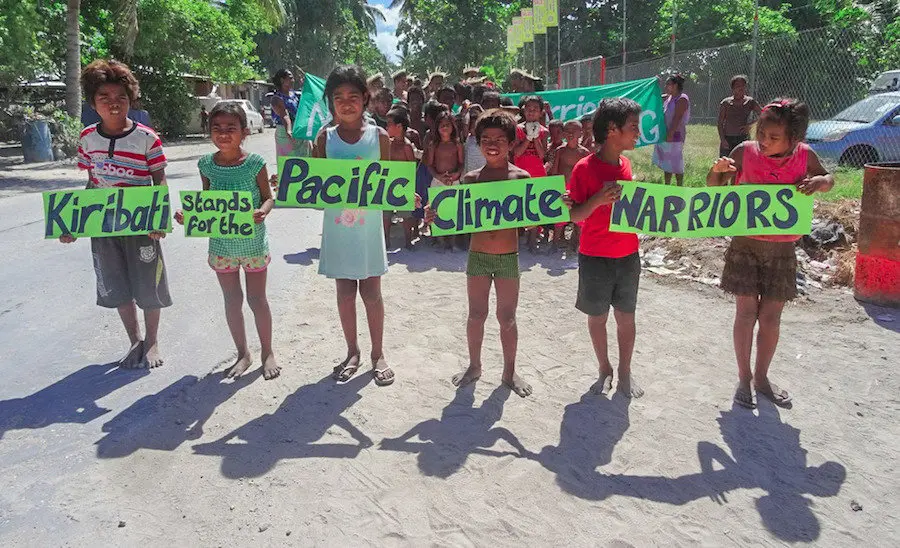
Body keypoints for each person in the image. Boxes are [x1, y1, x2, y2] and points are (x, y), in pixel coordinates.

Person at [707, 98, 833, 409]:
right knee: (746, 314)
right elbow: (714, 186)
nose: (764, 140)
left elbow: (829, 179)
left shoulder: (805, 156)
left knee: (771, 318)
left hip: (782, 251)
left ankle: (762, 377)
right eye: (762, 132)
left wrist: (819, 182)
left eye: (774, 137)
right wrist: (717, 171)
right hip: (745, 247)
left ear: (795, 138)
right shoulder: (744, 152)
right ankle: (744, 376)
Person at [67, 59, 171, 370]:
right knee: (116, 284)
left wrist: (159, 218)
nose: (114, 105)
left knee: (148, 284)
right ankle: (134, 340)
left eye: (121, 98)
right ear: (92, 103)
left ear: (131, 99)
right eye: (105, 99)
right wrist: (74, 222)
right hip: (104, 226)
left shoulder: (146, 138)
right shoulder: (88, 138)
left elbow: (159, 178)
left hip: (141, 226)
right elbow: (91, 181)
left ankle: (152, 341)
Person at [424, 110, 534, 397]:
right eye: (485, 139)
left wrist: (555, 203)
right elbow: (453, 214)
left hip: (509, 257)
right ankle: (475, 365)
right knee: (476, 315)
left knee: (507, 318)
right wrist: (435, 214)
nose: (492, 144)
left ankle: (510, 372)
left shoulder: (521, 178)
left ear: (511, 143)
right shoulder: (471, 180)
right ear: (477, 143)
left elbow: (533, 218)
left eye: (499, 138)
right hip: (478, 256)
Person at [174, 102, 279, 380]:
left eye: (230, 128)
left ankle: (267, 351)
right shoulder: (206, 165)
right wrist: (190, 214)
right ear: (209, 132)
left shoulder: (255, 163)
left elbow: (268, 196)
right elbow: (207, 201)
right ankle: (243, 353)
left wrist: (263, 211)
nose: (223, 134)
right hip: (222, 247)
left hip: (253, 244)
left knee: (258, 300)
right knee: (232, 301)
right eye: (217, 129)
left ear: (244, 132)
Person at [312, 65, 395, 387]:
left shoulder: (381, 137)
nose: (346, 103)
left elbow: (390, 186)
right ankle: (352, 351)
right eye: (338, 97)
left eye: (353, 96)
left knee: (372, 293)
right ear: (331, 102)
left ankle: (378, 353)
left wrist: (406, 197)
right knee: (345, 293)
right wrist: (294, 182)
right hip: (337, 229)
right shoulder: (324, 139)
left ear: (366, 99)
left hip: (368, 229)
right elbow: (315, 190)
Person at [564, 98, 644, 399]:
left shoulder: (627, 165)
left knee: (626, 318)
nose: (638, 134)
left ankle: (625, 370)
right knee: (597, 317)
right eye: (633, 127)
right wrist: (598, 200)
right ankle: (604, 367)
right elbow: (574, 215)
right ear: (612, 130)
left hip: (627, 255)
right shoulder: (584, 168)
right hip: (595, 256)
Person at [513, 95, 550, 252]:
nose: (532, 112)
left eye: (535, 109)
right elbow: (517, 152)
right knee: (520, 203)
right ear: (523, 111)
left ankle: (533, 239)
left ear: (541, 112)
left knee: (535, 205)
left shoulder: (544, 132)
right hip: (521, 170)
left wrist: (536, 137)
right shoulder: (517, 129)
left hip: (537, 171)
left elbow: (542, 155)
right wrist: (528, 137)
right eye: (529, 109)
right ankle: (519, 236)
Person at [550, 120, 591, 251]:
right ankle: (555, 244)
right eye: (567, 131)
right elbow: (555, 171)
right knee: (559, 219)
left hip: (578, 189)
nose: (570, 134)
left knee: (579, 219)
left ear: (581, 133)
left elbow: (588, 174)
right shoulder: (560, 151)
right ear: (563, 134)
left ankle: (575, 244)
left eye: (574, 131)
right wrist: (555, 188)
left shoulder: (584, 153)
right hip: (562, 188)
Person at [385, 107, 418, 250]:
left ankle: (407, 241)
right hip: (388, 183)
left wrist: (410, 187)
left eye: (389, 124)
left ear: (399, 127)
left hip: (404, 184)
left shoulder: (407, 146)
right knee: (385, 213)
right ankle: (386, 240)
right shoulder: (388, 143)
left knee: (405, 214)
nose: (386, 127)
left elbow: (412, 167)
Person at [652, 74, 691, 186]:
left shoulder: (682, 98)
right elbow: (656, 96)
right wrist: (655, 83)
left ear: (675, 85)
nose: (666, 86)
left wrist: (671, 133)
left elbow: (677, 118)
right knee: (667, 163)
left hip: (676, 135)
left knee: (676, 163)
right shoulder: (669, 98)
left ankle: (679, 186)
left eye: (668, 84)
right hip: (666, 134)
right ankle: (667, 185)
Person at [718, 74, 762, 157]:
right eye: (738, 86)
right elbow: (720, 123)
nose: (741, 88)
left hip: (743, 138)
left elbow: (763, 114)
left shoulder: (750, 102)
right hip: (728, 138)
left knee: (743, 163)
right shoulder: (726, 103)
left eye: (743, 85)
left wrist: (750, 125)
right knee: (726, 164)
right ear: (733, 88)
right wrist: (723, 140)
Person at [271, 68, 310, 158]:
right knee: (288, 163)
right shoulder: (277, 99)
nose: (293, 80)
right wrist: (289, 131)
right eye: (291, 78)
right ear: (282, 80)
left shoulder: (295, 95)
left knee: (304, 160)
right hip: (285, 133)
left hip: (299, 130)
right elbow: (285, 115)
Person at [463, 104, 486, 174]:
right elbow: (465, 124)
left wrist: (479, 107)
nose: (476, 128)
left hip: (484, 172)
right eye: (473, 125)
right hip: (471, 173)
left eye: (477, 125)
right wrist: (468, 111)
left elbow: (487, 120)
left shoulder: (484, 138)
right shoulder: (467, 138)